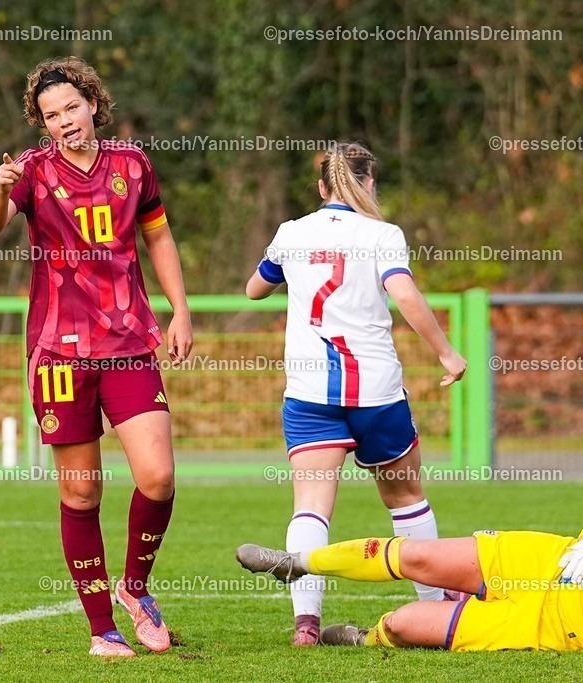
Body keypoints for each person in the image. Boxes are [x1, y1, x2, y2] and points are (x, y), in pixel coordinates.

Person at [0, 56, 192, 657]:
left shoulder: (133, 164)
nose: (64, 120)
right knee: (81, 494)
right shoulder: (31, 171)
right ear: (41, 123)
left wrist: (181, 309)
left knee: (158, 476)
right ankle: (103, 629)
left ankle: (135, 588)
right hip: (59, 354)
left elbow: (158, 235)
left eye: (72, 107)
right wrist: (1, 190)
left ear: (93, 104)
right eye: (51, 115)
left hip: (128, 343)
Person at [245, 141, 468, 645]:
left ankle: (305, 624)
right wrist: (446, 352)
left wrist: (287, 269)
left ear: (321, 187)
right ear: (370, 183)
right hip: (375, 392)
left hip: (309, 394)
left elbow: (254, 289)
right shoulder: (383, 234)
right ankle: (434, 606)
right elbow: (404, 293)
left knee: (310, 506)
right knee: (406, 498)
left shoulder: (291, 232)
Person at [236, 529, 583, 651]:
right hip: (554, 561)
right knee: (418, 556)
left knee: (400, 624)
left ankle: (364, 638)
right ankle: (294, 562)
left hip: (553, 625)